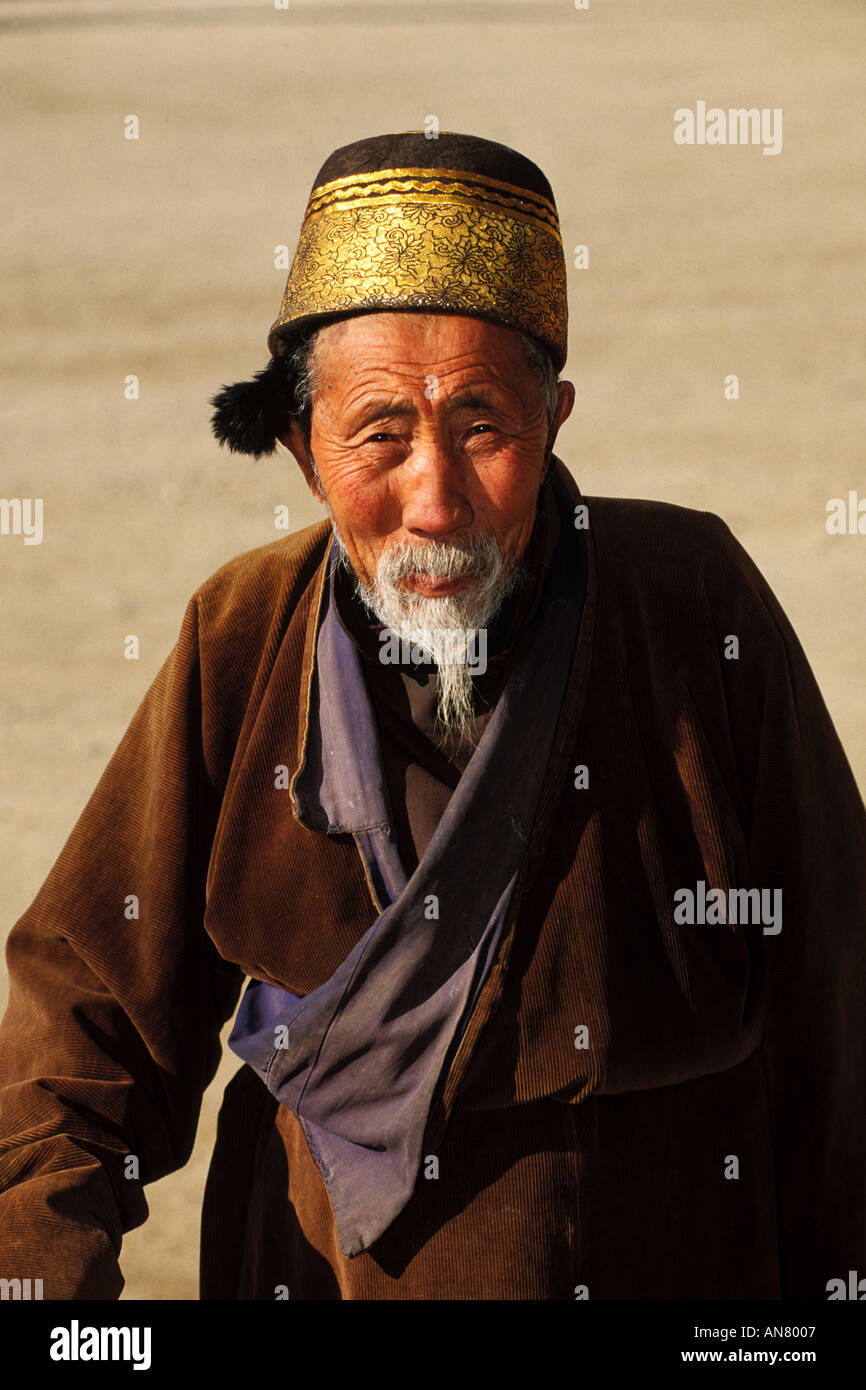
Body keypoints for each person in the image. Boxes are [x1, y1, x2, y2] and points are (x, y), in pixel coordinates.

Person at [0, 131, 864, 1301]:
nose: (433, 498)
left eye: (481, 427)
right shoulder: (244, 634)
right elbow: (77, 1030)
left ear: (554, 417)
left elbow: (839, 1012)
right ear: (305, 451)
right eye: (380, 436)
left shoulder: (690, 603)